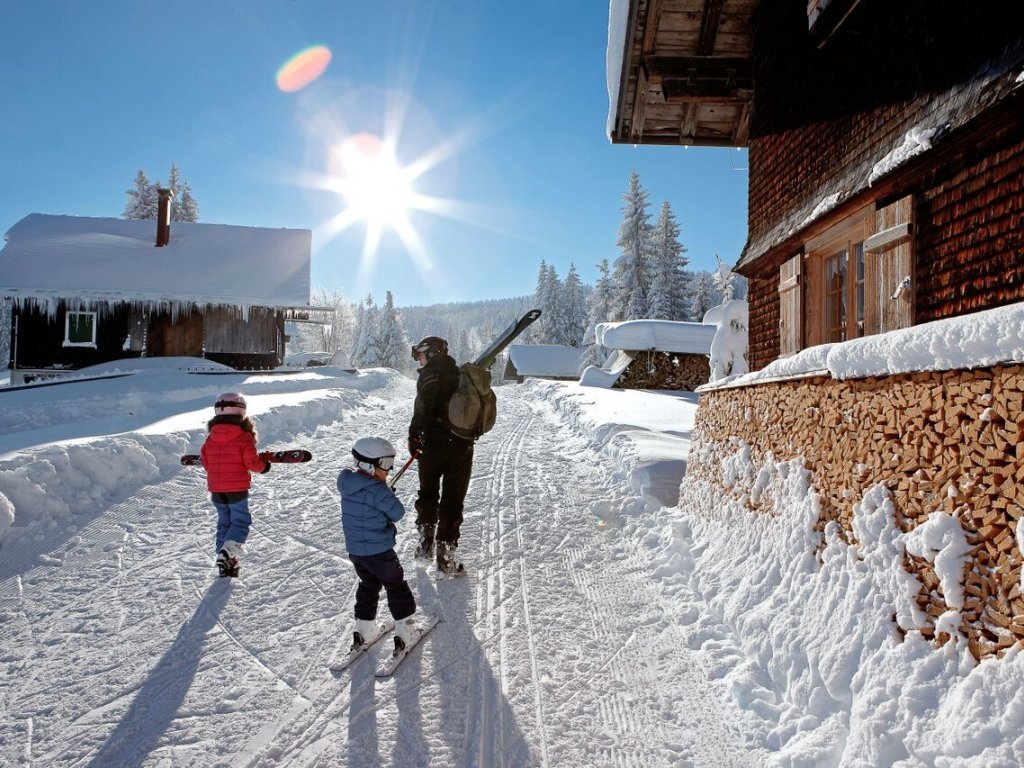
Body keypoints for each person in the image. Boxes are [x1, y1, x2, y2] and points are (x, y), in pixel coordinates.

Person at [339, 436, 421, 652]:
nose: (390, 469)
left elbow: (367, 501)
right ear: (368, 464)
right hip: (380, 552)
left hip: (357, 552)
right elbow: (398, 513)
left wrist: (383, 492)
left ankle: (364, 629)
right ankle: (406, 631)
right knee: (396, 585)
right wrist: (386, 495)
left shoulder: (348, 484)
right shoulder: (379, 491)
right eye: (385, 464)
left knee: (369, 584)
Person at [408, 336, 474, 575]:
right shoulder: (461, 375)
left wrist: (414, 437)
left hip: (433, 446)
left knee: (428, 493)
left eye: (421, 354)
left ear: (432, 353)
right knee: (452, 500)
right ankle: (445, 557)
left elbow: (423, 409)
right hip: (462, 446)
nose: (420, 359)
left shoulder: (429, 375)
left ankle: (426, 545)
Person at [200, 392, 271, 577]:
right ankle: (228, 552)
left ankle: (225, 560)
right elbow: (252, 462)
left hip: (216, 489)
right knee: (240, 521)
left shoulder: (210, 438)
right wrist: (264, 466)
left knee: (224, 522)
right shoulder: (243, 436)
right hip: (236, 488)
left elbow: (206, 463)